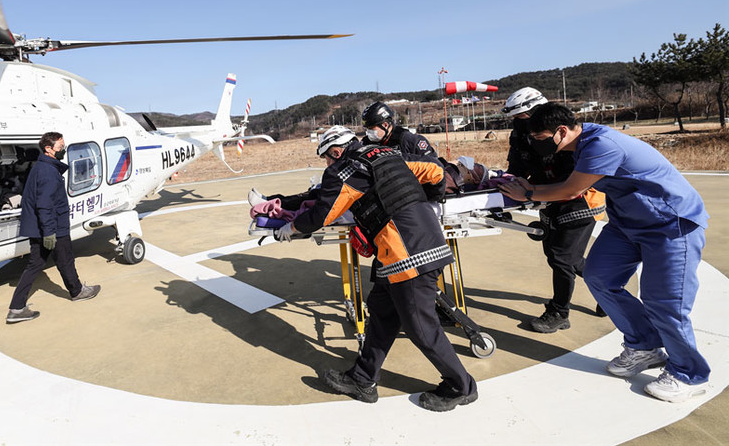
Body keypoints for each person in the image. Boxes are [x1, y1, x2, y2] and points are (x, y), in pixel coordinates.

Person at [499, 103, 710, 403]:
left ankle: (688, 374)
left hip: (670, 224)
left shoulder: (601, 145)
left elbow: (572, 190)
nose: (537, 143)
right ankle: (643, 346)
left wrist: (528, 194)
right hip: (627, 223)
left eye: (541, 137)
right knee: (599, 276)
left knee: (664, 303)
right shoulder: (577, 146)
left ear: (562, 131)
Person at [275, 126, 477, 411]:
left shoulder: (343, 169)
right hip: (415, 242)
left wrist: (292, 227)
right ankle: (362, 378)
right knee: (382, 311)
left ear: (335, 152)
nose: (328, 165)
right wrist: (426, 200)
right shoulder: (389, 154)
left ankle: (462, 386)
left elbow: (324, 212)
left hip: (407, 253)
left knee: (420, 326)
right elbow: (435, 172)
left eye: (327, 159)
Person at [501, 87, 605, 333]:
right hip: (546, 198)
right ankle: (609, 291)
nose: (521, 123)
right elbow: (517, 165)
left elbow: (574, 184)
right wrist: (503, 182)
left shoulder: (565, 134)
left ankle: (559, 312)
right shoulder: (519, 134)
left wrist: (531, 192)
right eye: (516, 119)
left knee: (561, 257)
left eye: (523, 117)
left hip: (579, 200)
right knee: (565, 258)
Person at [6, 132, 100, 324]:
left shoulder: (41, 167)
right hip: (53, 228)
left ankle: (16, 308)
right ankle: (77, 291)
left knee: (35, 265)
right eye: (60, 146)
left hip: (41, 227)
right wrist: (49, 233)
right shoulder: (48, 172)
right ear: (48, 149)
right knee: (65, 260)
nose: (63, 149)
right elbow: (44, 205)